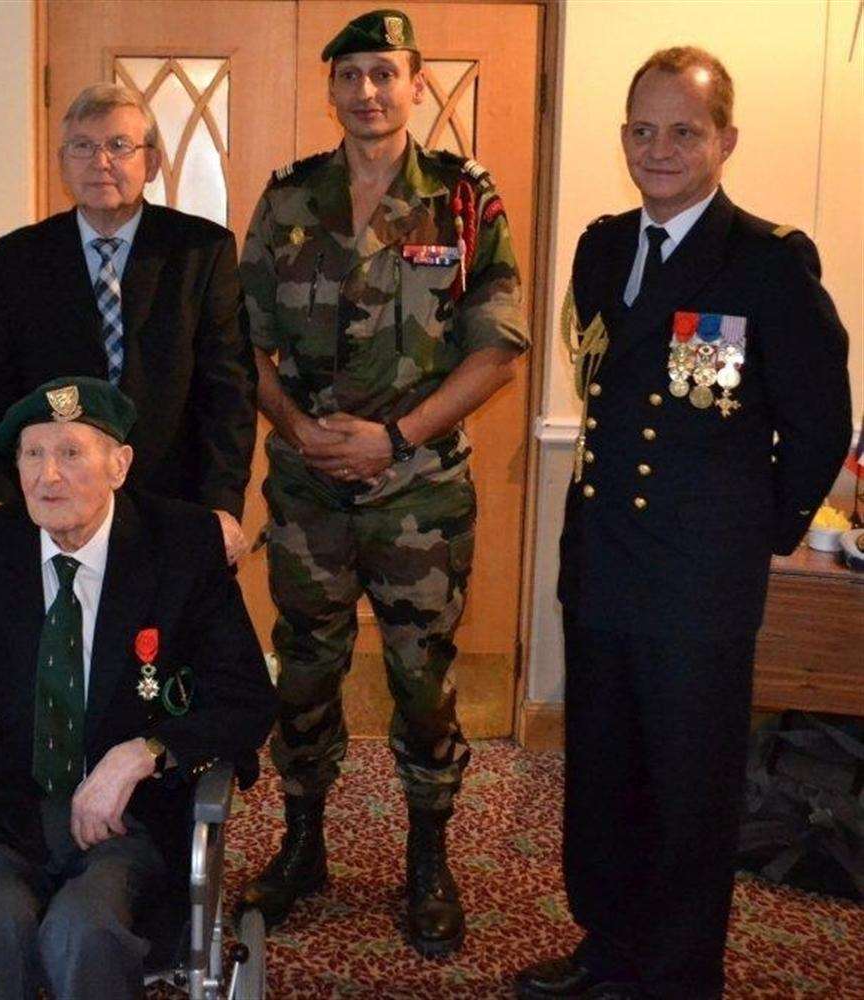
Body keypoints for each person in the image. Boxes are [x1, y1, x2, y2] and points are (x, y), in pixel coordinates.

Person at [514, 47, 851, 1000]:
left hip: (700, 583)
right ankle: (608, 949)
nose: (659, 148)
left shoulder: (767, 263)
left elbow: (820, 421)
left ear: (725, 141)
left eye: (684, 131)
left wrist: (752, 535)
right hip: (606, 567)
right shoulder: (602, 245)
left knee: (690, 792)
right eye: (642, 129)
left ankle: (676, 974)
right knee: (605, 777)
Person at [235, 8, 529, 955]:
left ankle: (427, 857)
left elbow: (499, 353)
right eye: (351, 74)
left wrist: (392, 438)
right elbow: (248, 345)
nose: (368, 91)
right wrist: (302, 433)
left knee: (423, 681)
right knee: (306, 672)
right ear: (332, 89)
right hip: (309, 491)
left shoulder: (464, 203)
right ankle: (303, 842)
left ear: (414, 86)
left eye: (385, 74)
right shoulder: (287, 202)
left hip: (418, 495)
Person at [0, 377, 276, 1000]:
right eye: (33, 455)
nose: (48, 476)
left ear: (119, 464)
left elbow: (244, 698)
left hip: (124, 825)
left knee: (84, 933)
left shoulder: (182, 548)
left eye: (72, 453)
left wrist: (146, 751)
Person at [0, 84, 257, 563]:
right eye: (82, 147)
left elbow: (228, 389)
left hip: (174, 498)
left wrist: (222, 504)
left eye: (118, 146)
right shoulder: (15, 259)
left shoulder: (201, 251)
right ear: (63, 163)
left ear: (150, 162)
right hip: (52, 500)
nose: (100, 161)